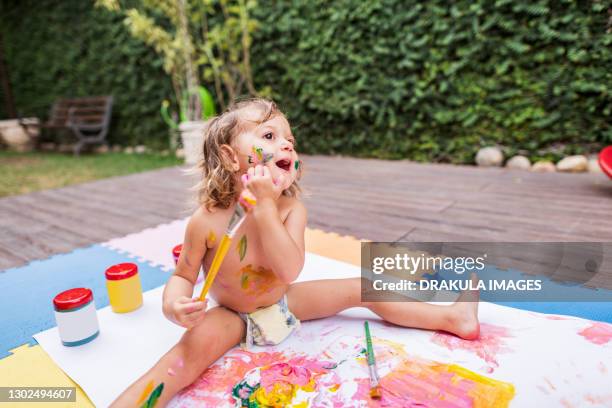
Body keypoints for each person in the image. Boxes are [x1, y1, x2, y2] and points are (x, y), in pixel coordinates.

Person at [110, 98, 480, 407]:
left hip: (286, 301)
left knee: (363, 287)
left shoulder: (290, 209)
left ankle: (452, 319)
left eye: (290, 139)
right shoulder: (206, 220)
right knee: (180, 360)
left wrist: (267, 209)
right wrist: (175, 305)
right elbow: (183, 275)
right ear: (228, 157)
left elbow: (289, 270)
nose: (287, 144)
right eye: (269, 136)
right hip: (231, 315)